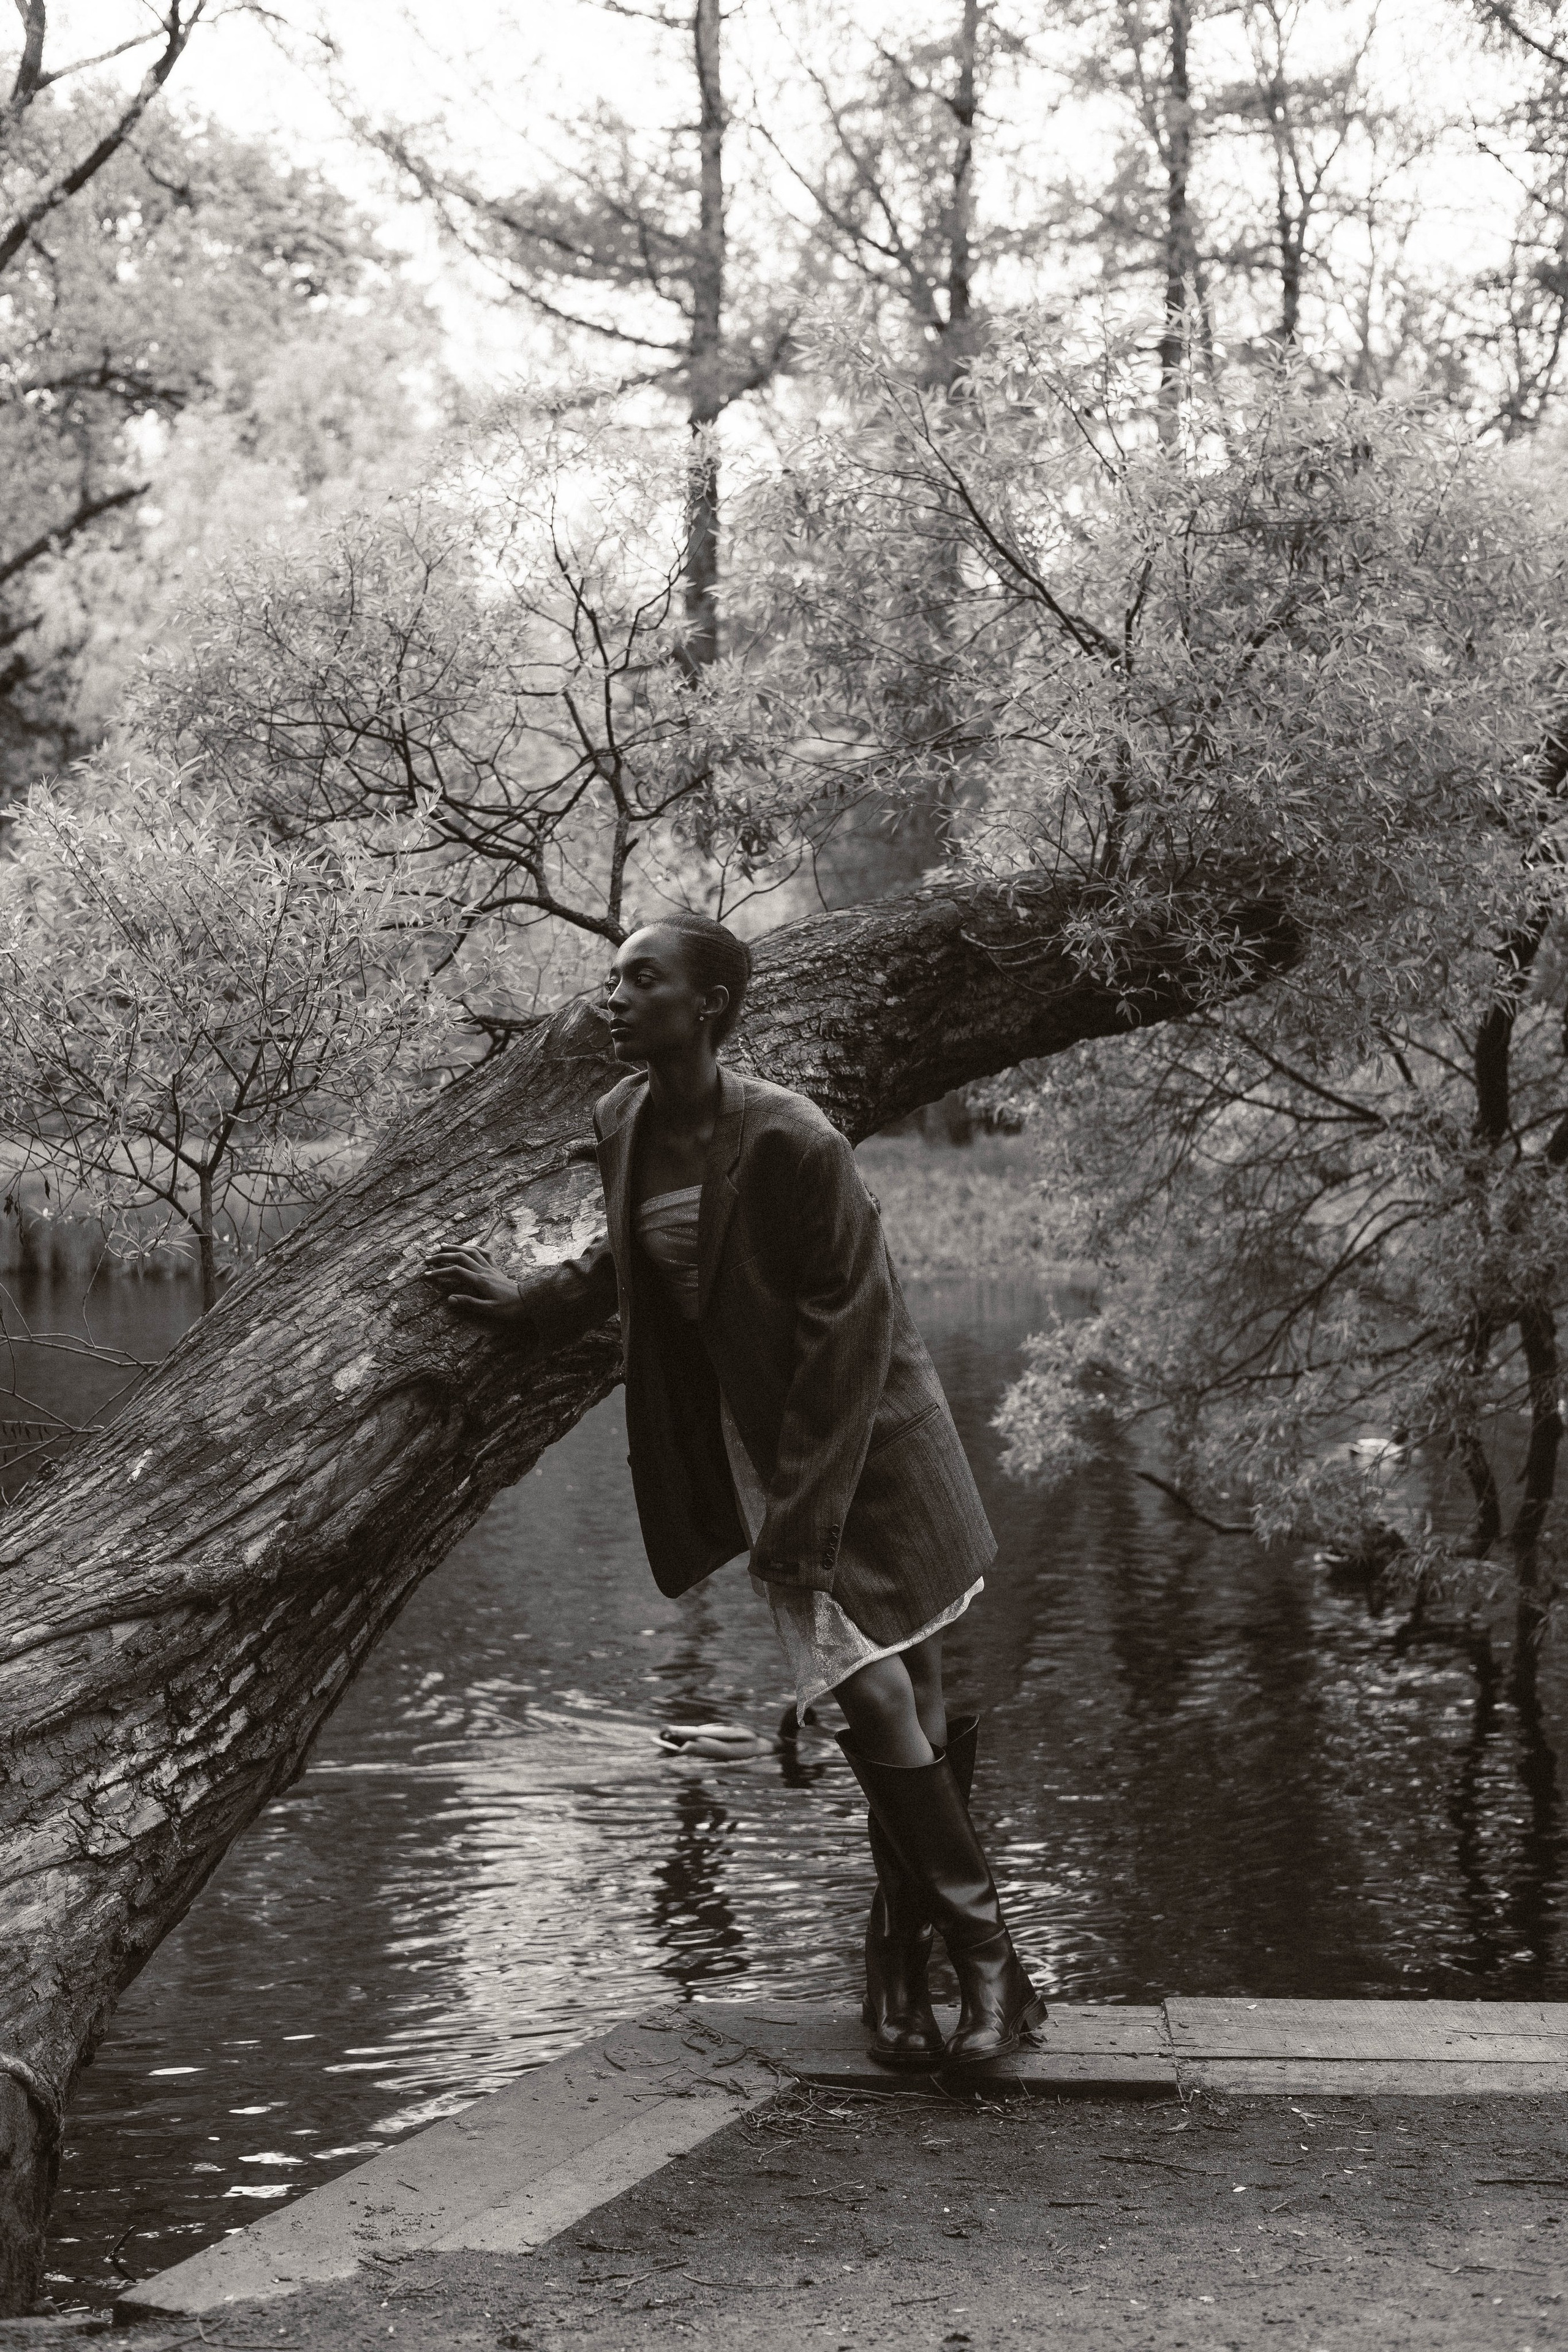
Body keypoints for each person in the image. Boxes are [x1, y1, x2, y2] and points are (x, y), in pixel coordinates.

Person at [423, 911, 1044, 2071]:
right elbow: (636, 1257)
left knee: (878, 1704)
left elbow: (854, 1337)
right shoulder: (623, 1119)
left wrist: (800, 1525)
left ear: (706, 1004)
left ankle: (988, 1966)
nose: (611, 998)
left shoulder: (796, 1138)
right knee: (900, 1710)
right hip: (771, 1452)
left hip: (873, 1446)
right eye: (610, 979)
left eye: (640, 979)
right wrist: (533, 1305)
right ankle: (906, 1971)